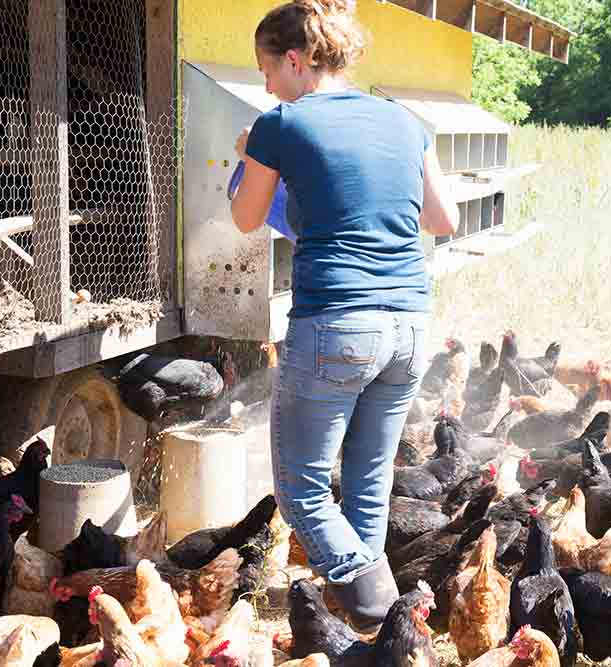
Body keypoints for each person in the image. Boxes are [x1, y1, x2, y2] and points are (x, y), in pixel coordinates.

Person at [229, 0, 459, 633]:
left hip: (337, 319)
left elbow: (247, 218)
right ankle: (375, 632)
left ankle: (374, 600)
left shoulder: (279, 124)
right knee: (368, 478)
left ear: (295, 60)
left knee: (300, 487)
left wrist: (250, 154)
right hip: (409, 323)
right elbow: (443, 220)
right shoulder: (405, 121)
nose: (267, 87)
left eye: (266, 71)